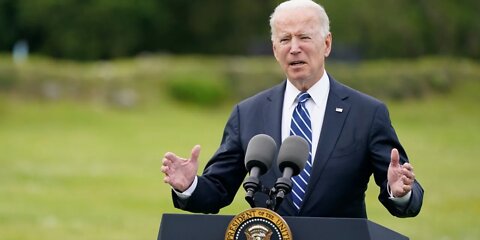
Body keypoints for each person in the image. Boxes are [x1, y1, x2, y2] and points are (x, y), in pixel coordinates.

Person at [161, 0, 424, 218]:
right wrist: (190, 186)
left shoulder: (366, 113)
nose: (294, 48)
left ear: (327, 44)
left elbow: (401, 187)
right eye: (285, 39)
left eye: (304, 37)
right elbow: (217, 189)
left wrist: (400, 191)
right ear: (275, 50)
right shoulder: (248, 113)